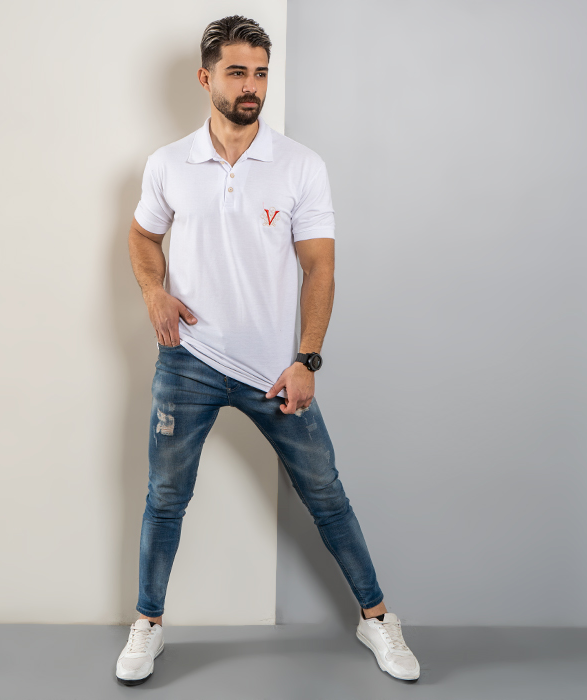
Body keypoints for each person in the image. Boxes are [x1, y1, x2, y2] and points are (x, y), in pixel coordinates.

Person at [115, 14, 420, 686]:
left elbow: (319, 267)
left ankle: (376, 618)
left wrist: (306, 360)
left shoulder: (300, 165)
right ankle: (149, 623)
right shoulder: (168, 163)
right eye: (237, 72)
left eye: (260, 73)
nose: (251, 85)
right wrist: (154, 293)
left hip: (275, 371)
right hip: (188, 362)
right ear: (206, 79)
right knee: (166, 498)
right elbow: (142, 236)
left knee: (326, 495)